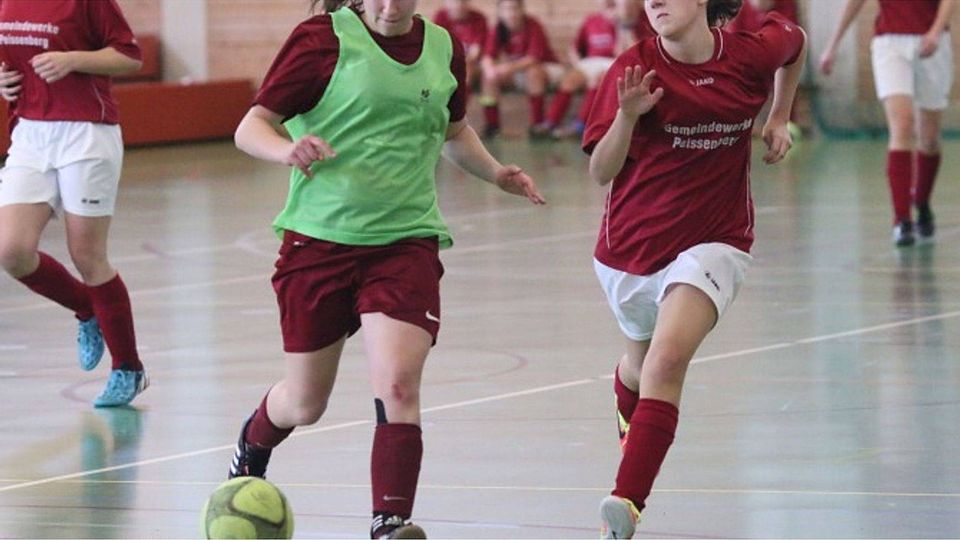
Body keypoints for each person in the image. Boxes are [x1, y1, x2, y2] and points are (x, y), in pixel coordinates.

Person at [226, 0, 545, 538]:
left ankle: (390, 519)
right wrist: (287, 151)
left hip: (405, 241)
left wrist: (495, 174)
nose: (391, 6)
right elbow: (251, 127)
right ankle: (251, 447)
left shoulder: (444, 48)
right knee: (304, 403)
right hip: (319, 244)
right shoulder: (320, 40)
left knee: (398, 383)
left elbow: (454, 129)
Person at [582, 0, 805, 536]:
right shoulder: (632, 69)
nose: (655, 2)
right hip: (631, 250)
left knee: (665, 363)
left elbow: (793, 44)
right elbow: (599, 170)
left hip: (716, 241)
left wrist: (779, 115)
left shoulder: (750, 54)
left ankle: (627, 500)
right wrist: (629, 115)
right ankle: (628, 401)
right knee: (639, 363)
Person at [0, 0, 149, 407]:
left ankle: (128, 368)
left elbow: (130, 56)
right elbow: (12, 57)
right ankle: (89, 308)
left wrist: (73, 60)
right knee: (11, 251)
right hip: (30, 132)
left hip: (85, 132)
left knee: (87, 255)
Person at [820, 0, 955, 246]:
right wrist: (833, 45)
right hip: (890, 43)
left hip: (932, 42)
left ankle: (921, 201)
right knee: (902, 125)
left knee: (929, 138)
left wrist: (936, 30)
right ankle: (902, 220)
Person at [537, 0, 654, 139]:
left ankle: (581, 126)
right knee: (570, 80)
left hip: (614, 62)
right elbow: (574, 49)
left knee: (597, 79)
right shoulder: (592, 20)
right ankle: (551, 123)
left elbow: (626, 53)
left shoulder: (635, 20)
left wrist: (620, 24)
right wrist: (577, 64)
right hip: (590, 62)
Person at [479, 0, 563, 138]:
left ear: (522, 10)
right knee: (488, 77)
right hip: (519, 71)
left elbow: (533, 58)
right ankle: (492, 127)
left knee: (533, 72)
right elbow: (487, 56)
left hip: (549, 68)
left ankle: (538, 125)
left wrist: (507, 67)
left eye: (514, 8)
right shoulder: (499, 28)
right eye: (506, 9)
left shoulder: (533, 25)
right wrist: (489, 69)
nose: (511, 13)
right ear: (500, 12)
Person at [433, 0, 488, 91]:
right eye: (454, 2)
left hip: (471, 63)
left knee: (466, 70)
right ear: (446, 3)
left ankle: (461, 101)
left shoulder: (479, 18)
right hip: (447, 60)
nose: (458, 5)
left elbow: (476, 51)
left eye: (462, 1)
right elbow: (438, 47)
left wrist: (462, 62)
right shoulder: (441, 17)